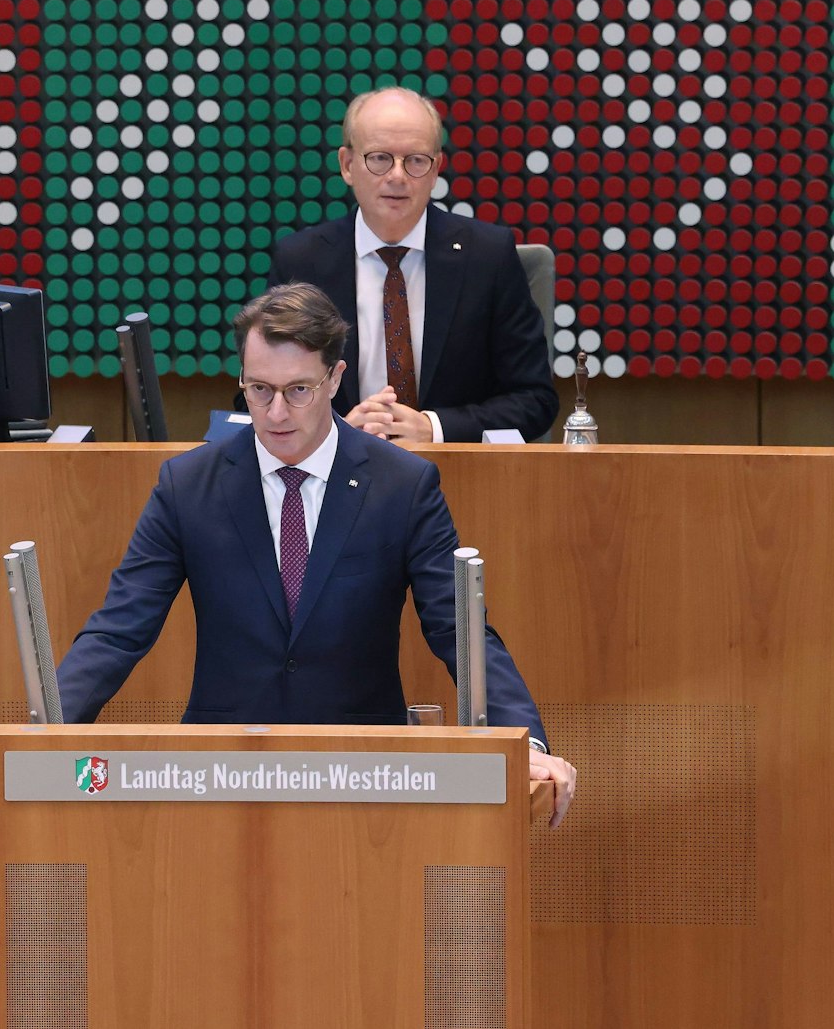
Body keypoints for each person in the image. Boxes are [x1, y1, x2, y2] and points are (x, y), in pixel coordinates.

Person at [56, 283, 577, 824]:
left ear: (335, 378)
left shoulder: (402, 484)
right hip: (221, 774)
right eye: (259, 389)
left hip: (366, 774)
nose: (277, 411)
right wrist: (43, 734)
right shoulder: (189, 485)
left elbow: (460, 630)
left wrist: (527, 747)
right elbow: (120, 627)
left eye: (298, 389)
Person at [268, 86, 558, 443]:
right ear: (347, 165)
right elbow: (262, 395)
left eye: (416, 160)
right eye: (379, 158)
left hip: (458, 476)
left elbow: (535, 400)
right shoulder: (301, 262)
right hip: (335, 477)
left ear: (436, 169)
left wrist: (433, 428)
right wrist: (333, 429)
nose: (398, 176)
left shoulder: (488, 257)